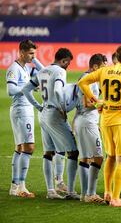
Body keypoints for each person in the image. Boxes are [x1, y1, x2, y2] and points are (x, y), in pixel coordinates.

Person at [78, 45, 121, 207]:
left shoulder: (105, 71)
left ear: (116, 56)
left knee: (110, 156)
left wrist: (95, 101)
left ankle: (108, 192)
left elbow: (82, 82)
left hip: (106, 119)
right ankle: (116, 198)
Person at [22, 48, 80, 200]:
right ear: (64, 60)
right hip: (54, 114)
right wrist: (62, 108)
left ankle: (51, 191)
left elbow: (26, 89)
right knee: (73, 151)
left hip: (43, 113)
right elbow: (58, 91)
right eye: (68, 62)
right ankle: (71, 191)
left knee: (48, 153)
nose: (68, 66)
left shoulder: (43, 71)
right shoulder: (60, 71)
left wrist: (38, 106)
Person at [6, 39, 44, 197]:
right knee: (28, 147)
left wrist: (34, 59)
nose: (33, 56)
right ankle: (21, 187)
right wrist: (27, 88)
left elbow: (44, 72)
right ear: (21, 52)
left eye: (34, 53)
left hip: (23, 110)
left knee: (20, 148)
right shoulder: (14, 68)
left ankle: (15, 186)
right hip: (21, 110)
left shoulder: (27, 68)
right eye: (30, 53)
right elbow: (10, 89)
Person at [73, 54, 107, 203]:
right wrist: (104, 103)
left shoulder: (83, 76)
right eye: (102, 68)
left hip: (80, 120)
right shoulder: (91, 80)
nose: (104, 71)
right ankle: (91, 193)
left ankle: (84, 195)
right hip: (87, 121)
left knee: (86, 158)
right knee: (98, 157)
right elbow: (88, 103)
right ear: (95, 67)